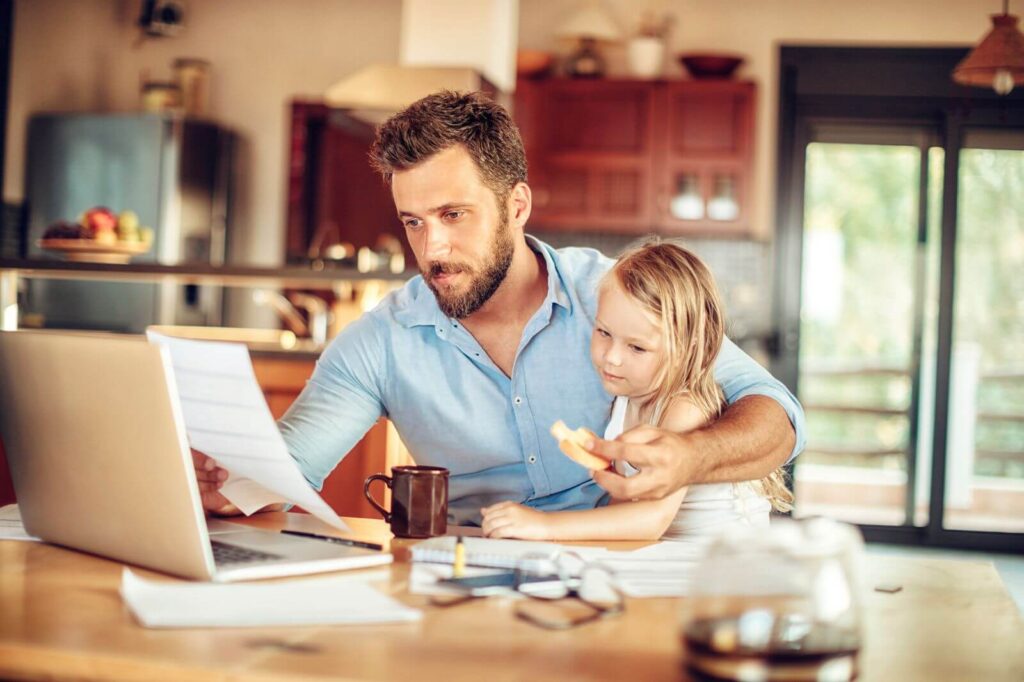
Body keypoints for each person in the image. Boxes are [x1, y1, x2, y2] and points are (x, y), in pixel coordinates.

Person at [192, 90, 805, 525]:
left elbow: (779, 418)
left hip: (621, 571)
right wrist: (229, 483)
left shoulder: (615, 294)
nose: (432, 248)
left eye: (454, 216)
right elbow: (286, 469)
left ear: (516, 206)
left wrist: (690, 457)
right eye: (414, 222)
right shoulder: (379, 342)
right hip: (467, 577)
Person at [480, 241, 793, 540]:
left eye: (637, 347)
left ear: (687, 347)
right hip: (669, 559)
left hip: (724, 567)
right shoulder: (625, 400)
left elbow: (649, 521)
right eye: (604, 332)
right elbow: (623, 511)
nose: (612, 357)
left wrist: (545, 525)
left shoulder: (684, 408)